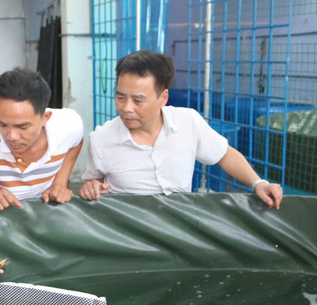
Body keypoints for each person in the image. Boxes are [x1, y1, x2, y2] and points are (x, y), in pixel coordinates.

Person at [79, 50, 283, 210]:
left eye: (138, 100)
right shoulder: (102, 139)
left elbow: (225, 154)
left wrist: (259, 183)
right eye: (121, 97)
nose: (126, 108)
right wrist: (91, 187)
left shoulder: (188, 122)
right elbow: (94, 180)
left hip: (180, 229)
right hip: (129, 235)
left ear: (163, 98)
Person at [0, 68, 83, 211]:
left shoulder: (69, 126)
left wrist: (59, 183)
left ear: (45, 118)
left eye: (22, 127)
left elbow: (77, 142)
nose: (11, 136)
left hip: (46, 212)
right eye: (2, 124)